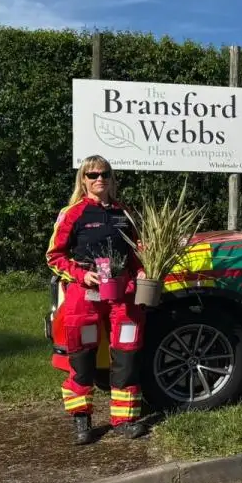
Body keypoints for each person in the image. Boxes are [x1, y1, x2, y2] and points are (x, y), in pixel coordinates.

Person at [45, 155, 148, 444]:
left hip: (122, 294)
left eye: (104, 173)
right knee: (82, 357)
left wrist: (141, 271)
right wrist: (81, 275)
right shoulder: (72, 213)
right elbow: (54, 256)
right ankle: (82, 420)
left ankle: (125, 420)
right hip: (85, 294)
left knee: (127, 355)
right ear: (83, 180)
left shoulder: (123, 212)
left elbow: (135, 252)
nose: (99, 178)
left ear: (112, 178)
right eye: (92, 175)